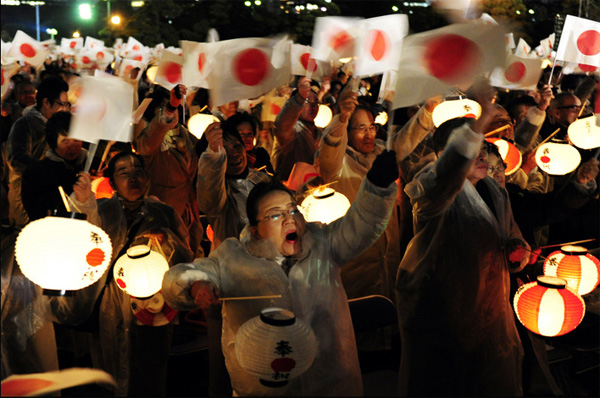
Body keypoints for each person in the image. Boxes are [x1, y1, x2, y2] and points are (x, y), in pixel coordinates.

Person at [162, 150, 399, 396]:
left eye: (292, 210)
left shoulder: (322, 241)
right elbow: (181, 275)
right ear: (255, 230)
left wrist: (377, 185)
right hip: (263, 388)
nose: (289, 220)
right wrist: (196, 286)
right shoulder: (232, 257)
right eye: (275, 215)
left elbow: (360, 225)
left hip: (330, 382)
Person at [395, 89, 531, 396]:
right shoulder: (431, 187)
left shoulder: (495, 191)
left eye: (483, 147)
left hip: (491, 308)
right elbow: (450, 172)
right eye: (472, 148)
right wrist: (480, 118)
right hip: (443, 311)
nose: (481, 154)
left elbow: (511, 233)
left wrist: (515, 249)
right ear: (445, 156)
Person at [70, 152, 194, 396]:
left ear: (147, 178)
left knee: (150, 361)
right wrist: (83, 203)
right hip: (111, 300)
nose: (133, 178)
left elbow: (186, 256)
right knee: (114, 357)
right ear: (113, 183)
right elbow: (84, 243)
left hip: (153, 301)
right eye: (124, 173)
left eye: (138, 172)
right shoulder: (102, 210)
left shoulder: (163, 213)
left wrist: (165, 239)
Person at [317, 83, 438, 302]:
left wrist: (428, 109)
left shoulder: (380, 152)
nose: (368, 134)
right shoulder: (338, 163)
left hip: (388, 256)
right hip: (356, 265)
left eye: (371, 127)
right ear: (347, 131)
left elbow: (405, 141)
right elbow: (330, 148)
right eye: (360, 128)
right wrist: (342, 117)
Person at [133, 84, 204, 258]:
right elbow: (147, 141)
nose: (170, 111)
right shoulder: (150, 142)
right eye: (161, 108)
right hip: (163, 221)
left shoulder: (189, 138)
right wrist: (170, 107)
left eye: (175, 106)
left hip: (190, 216)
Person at [197, 121, 272, 251]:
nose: (234, 154)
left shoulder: (262, 178)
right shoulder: (219, 194)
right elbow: (210, 189)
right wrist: (213, 155)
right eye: (224, 151)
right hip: (237, 263)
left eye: (237, 146)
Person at [6, 76, 69, 226]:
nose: (65, 109)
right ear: (46, 102)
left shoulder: (59, 125)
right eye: (62, 104)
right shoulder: (25, 124)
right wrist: (46, 170)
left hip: (50, 195)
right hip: (25, 196)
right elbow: (16, 159)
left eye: (67, 105)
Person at [21, 111, 86, 221]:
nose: (73, 146)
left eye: (76, 140)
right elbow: (35, 210)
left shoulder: (91, 165)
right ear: (53, 142)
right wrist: (72, 186)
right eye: (65, 141)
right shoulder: (36, 172)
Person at [272, 77, 322, 181]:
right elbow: (282, 124)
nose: (313, 106)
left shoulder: (321, 133)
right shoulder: (293, 131)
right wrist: (299, 98)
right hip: (291, 190)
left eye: (316, 102)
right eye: (307, 101)